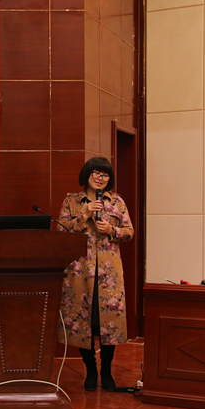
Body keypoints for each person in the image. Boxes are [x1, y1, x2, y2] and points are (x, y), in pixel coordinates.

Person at [57, 157, 134, 391]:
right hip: (80, 272)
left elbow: (129, 232)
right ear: (87, 174)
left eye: (105, 175)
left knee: (109, 323)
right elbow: (60, 232)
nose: (100, 178)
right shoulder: (72, 201)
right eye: (96, 173)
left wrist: (112, 230)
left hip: (109, 274)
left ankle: (106, 371)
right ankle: (90, 370)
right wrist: (84, 215)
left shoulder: (117, 201)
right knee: (84, 322)